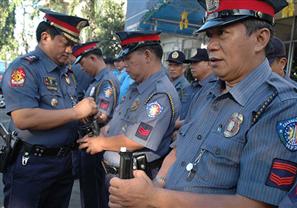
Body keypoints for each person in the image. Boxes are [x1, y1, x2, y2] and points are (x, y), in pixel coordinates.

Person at [108, 0, 297, 207]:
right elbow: (178, 149)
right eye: (210, 36)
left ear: (260, 39)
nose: (211, 46)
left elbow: (254, 203)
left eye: (223, 33)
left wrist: (154, 198)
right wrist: (156, 186)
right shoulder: (208, 90)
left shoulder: (281, 104)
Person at [1, 8, 98, 208]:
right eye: (66, 43)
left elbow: (66, 111)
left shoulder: (66, 73)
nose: (70, 50)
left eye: (73, 44)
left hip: (64, 164)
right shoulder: (25, 68)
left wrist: (85, 116)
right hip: (33, 167)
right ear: (45, 37)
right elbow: (23, 118)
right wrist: (76, 112)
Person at [78, 31, 181, 207]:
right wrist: (106, 129)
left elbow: (136, 140)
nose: (124, 65)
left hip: (134, 178)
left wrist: (101, 143)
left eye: (128, 59)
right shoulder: (136, 87)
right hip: (114, 175)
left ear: (147, 55)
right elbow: (118, 119)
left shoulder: (160, 94)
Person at [72, 41, 120, 208]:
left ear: (92, 58)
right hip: (89, 143)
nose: (82, 68)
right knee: (88, 192)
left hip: (97, 145)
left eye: (83, 63)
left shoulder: (107, 81)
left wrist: (80, 113)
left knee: (95, 195)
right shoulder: (96, 81)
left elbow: (103, 115)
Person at [167, 50, 191, 120]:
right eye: (170, 65)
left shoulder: (185, 88)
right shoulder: (167, 83)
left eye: (176, 65)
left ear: (184, 68)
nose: (172, 69)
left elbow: (182, 115)